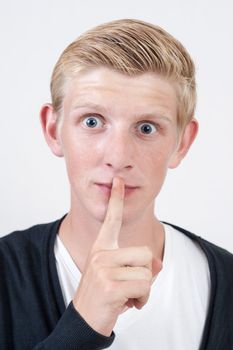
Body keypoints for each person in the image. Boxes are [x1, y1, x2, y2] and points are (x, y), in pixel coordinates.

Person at [0, 18, 233, 350]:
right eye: (92, 121)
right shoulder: (7, 274)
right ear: (53, 130)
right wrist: (81, 326)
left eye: (147, 128)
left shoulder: (225, 283)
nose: (118, 156)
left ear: (182, 143)